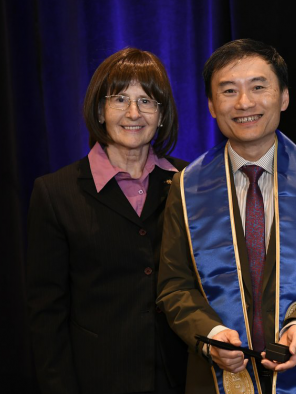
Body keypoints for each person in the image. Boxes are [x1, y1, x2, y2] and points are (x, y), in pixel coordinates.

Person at [156, 38, 296, 394]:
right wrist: (212, 336)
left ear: (284, 97)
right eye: (229, 90)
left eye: (258, 87)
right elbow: (174, 286)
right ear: (212, 106)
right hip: (215, 377)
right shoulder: (186, 187)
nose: (245, 103)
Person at [27, 48, 188, 394]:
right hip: (98, 380)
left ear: (162, 115)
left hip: (183, 377)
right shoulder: (55, 193)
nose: (134, 113)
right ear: (100, 110)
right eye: (120, 99)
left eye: (147, 101)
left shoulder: (191, 183)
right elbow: (46, 315)